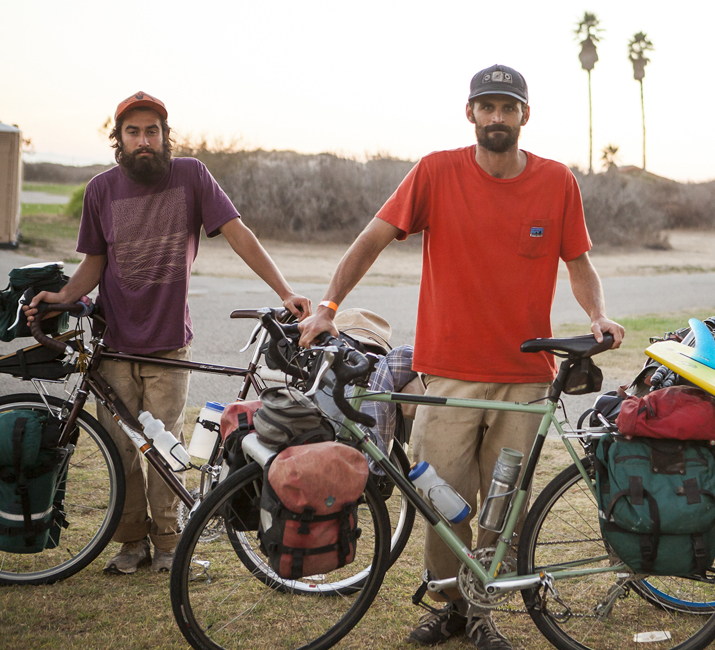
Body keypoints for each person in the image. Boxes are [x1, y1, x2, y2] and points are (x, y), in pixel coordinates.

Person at [299, 64, 624, 650]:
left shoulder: (557, 182)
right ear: (470, 113)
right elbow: (372, 238)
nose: (497, 117)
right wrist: (327, 305)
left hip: (525, 376)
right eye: (487, 107)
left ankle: (482, 614)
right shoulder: (435, 171)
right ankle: (448, 605)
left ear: (525, 116)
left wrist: (597, 315)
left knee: (501, 512)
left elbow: (577, 261)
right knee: (441, 501)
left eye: (508, 107)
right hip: (446, 374)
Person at [28, 91, 310, 574]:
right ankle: (130, 545)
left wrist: (284, 291)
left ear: (165, 135)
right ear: (117, 139)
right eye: (133, 132)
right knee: (121, 452)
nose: (144, 140)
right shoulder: (100, 190)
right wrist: (63, 297)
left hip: (169, 344)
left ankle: (169, 546)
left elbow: (239, 233)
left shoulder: (191, 176)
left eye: (152, 131)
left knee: (165, 448)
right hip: (112, 343)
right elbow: (94, 262)